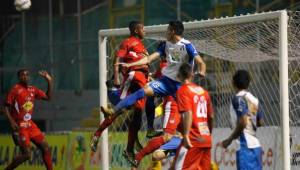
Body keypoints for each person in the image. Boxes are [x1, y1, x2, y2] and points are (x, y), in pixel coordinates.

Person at [93, 20, 206, 143]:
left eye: (168, 30)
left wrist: (202, 71)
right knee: (143, 91)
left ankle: (190, 137)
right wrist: (130, 63)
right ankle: (114, 111)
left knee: (187, 114)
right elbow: (148, 59)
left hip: (180, 87)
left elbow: (201, 62)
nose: (166, 32)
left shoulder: (187, 45)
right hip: (165, 82)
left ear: (173, 31)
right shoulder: (166, 45)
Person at [91, 21, 153, 161]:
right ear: (136, 30)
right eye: (143, 28)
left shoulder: (142, 47)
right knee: (120, 109)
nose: (145, 31)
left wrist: (149, 76)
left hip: (141, 84)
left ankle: (130, 148)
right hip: (132, 80)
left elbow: (143, 64)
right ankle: (97, 134)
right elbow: (117, 59)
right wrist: (117, 75)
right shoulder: (127, 42)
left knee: (137, 113)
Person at [3, 69, 53, 170]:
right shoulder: (15, 89)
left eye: (27, 75)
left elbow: (48, 97)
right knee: (27, 155)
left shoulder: (32, 89)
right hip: (20, 126)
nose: (25, 77)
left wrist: (49, 81)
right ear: (19, 77)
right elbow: (5, 107)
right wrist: (12, 122)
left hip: (30, 125)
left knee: (46, 148)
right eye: (23, 75)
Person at [174, 63, 214, 170]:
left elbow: (188, 113)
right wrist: (208, 134)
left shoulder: (183, 91)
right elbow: (211, 116)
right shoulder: (204, 92)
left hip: (192, 139)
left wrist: (186, 135)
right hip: (205, 139)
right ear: (192, 75)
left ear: (179, 76)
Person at [221, 69, 263, 170]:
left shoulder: (238, 98)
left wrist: (229, 140)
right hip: (256, 146)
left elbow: (243, 121)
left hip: (245, 147)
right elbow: (260, 122)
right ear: (248, 83)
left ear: (233, 83)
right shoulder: (255, 99)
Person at [128, 95, 181, 168]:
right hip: (180, 141)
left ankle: (138, 157)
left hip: (184, 145)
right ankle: (138, 156)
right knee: (160, 150)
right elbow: (156, 155)